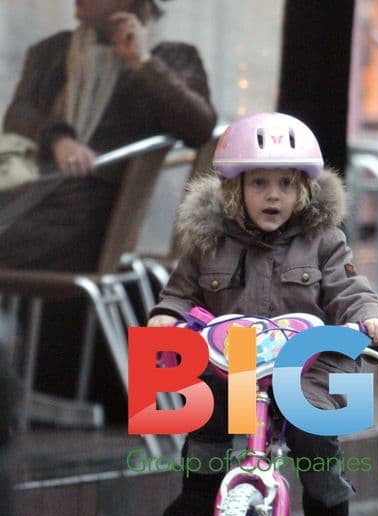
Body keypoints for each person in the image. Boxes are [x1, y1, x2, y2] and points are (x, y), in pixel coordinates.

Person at [148, 112, 378, 516]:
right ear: (233, 189)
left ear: (304, 189)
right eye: (259, 183)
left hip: (304, 363)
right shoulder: (207, 242)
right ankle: (199, 491)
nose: (273, 195)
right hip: (232, 360)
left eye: (286, 183)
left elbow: (348, 290)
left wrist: (368, 317)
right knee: (208, 411)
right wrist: (168, 316)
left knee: (315, 430)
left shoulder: (324, 241)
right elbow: (181, 292)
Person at [0, 0, 216, 408]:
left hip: (90, 222)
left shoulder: (172, 57)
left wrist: (142, 62)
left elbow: (199, 125)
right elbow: (17, 116)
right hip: (32, 199)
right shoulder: (51, 52)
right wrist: (58, 137)